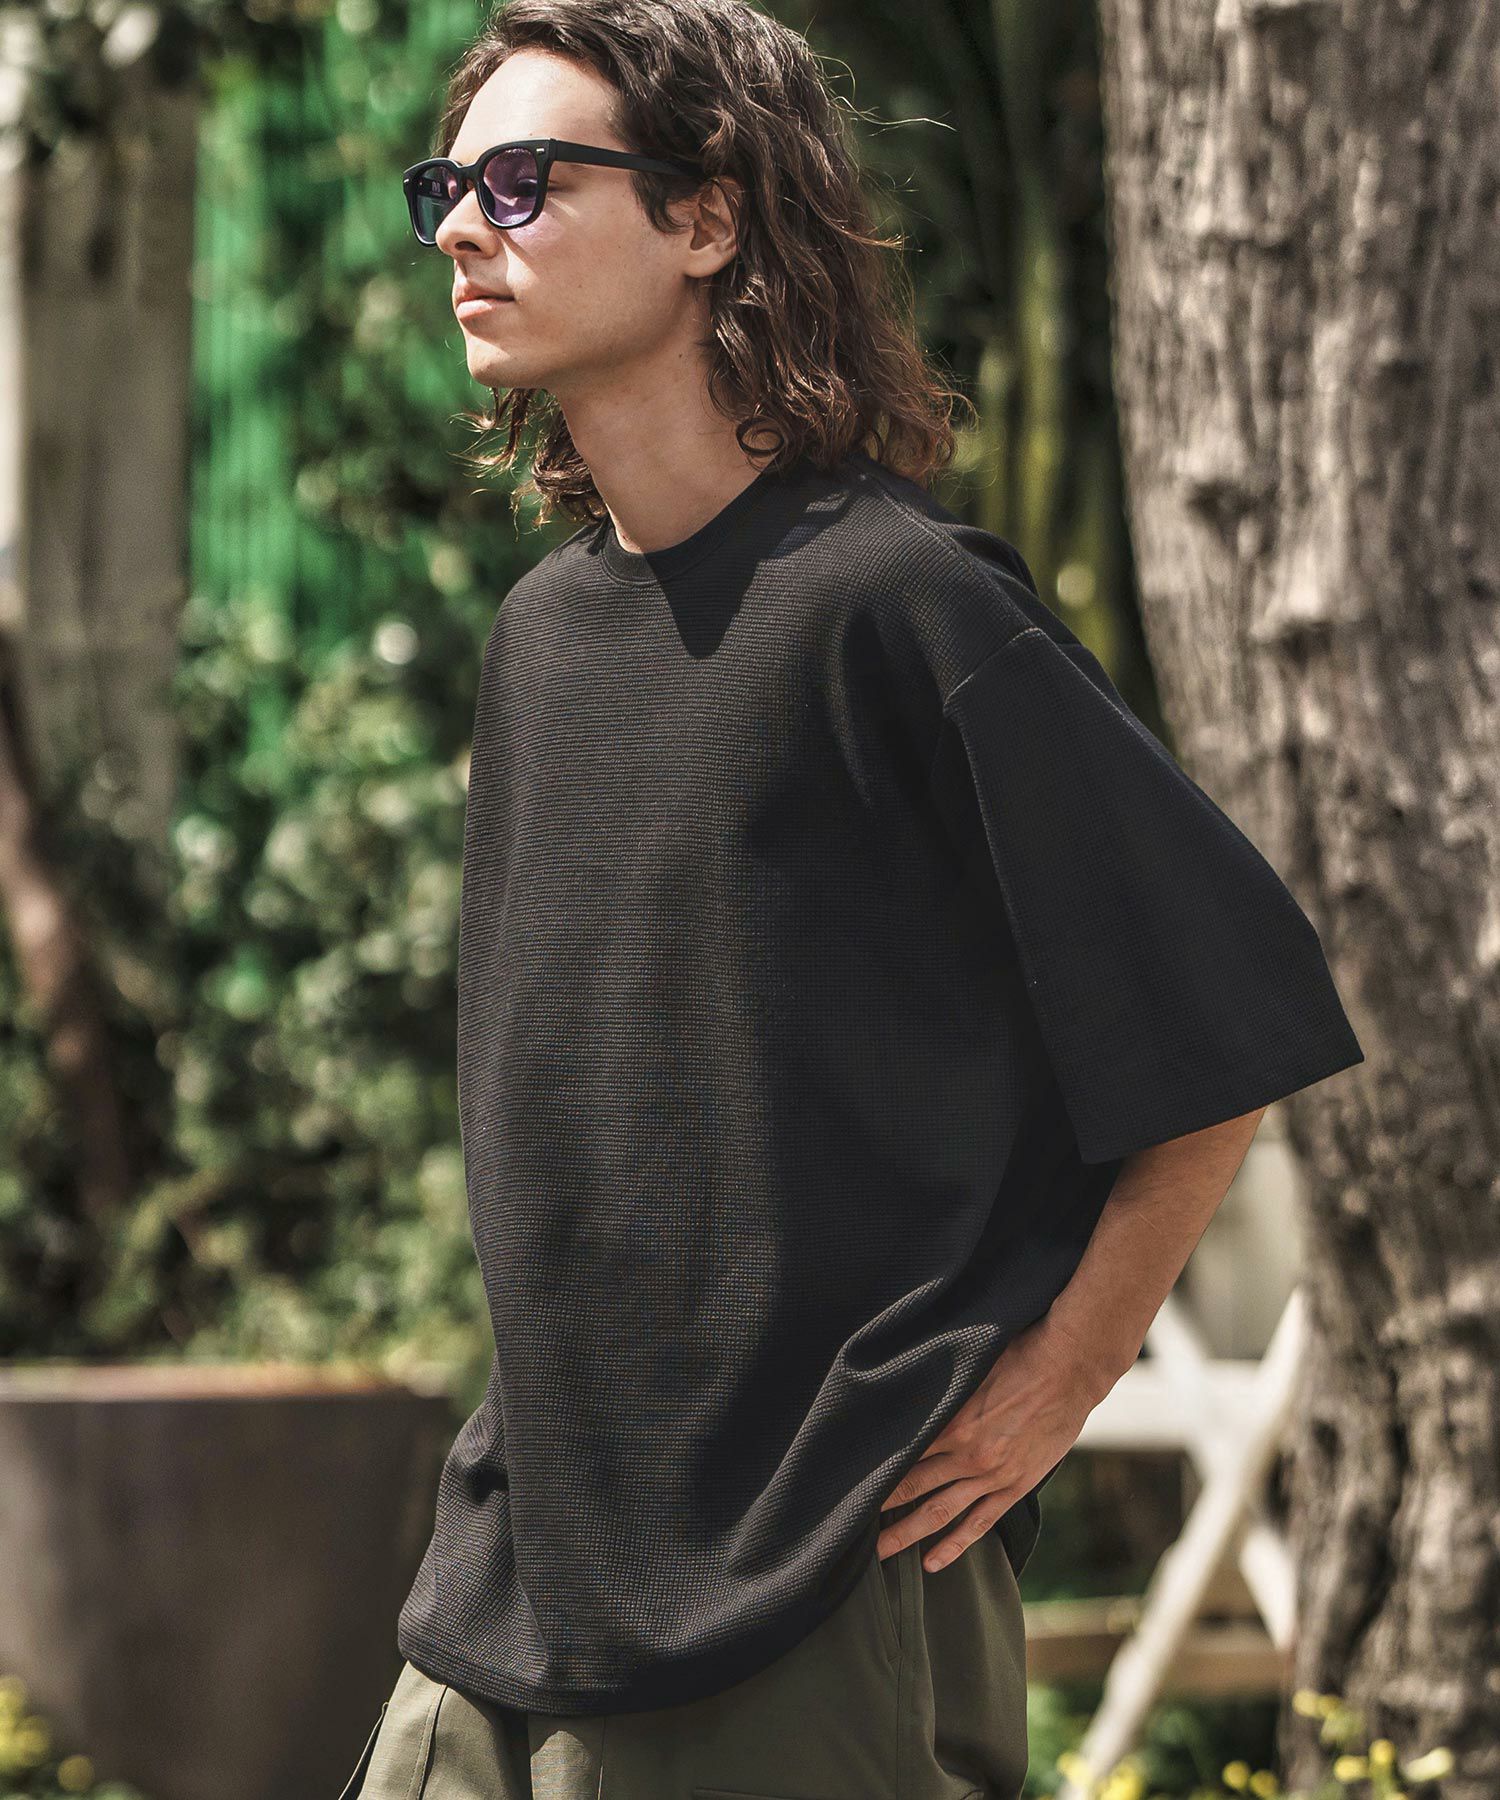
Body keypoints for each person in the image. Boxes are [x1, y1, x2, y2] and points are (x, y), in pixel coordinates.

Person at [338, 1, 1365, 1794]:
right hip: (512, 1571)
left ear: (706, 216)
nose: (461, 231)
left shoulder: (901, 604)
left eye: (524, 180)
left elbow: (1227, 1019)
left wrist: (1064, 1378)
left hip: (817, 1579)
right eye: (449, 187)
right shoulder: (540, 641)